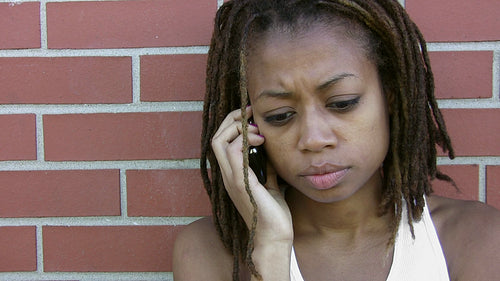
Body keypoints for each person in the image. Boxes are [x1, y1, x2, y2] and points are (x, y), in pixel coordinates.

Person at [173, 0, 500, 280]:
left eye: (342, 103)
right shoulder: (209, 251)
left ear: (392, 96)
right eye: (280, 115)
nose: (314, 140)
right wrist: (269, 249)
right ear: (246, 126)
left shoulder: (475, 238)